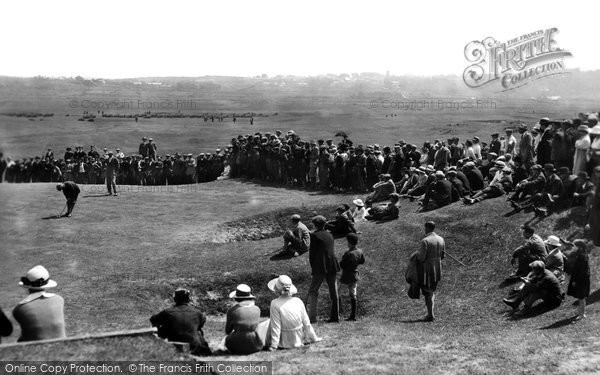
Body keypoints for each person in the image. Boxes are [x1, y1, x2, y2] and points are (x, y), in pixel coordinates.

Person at [150, 288, 211, 356]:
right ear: (188, 299)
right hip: (193, 346)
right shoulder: (197, 312)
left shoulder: (167, 312)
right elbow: (201, 324)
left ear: (175, 299)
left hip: (173, 344)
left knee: (163, 328)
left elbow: (153, 319)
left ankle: (159, 346)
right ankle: (202, 349)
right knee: (198, 331)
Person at [13, 265, 66, 342]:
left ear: (27, 286)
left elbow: (27, 336)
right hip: (62, 346)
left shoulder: (19, 309)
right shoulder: (59, 300)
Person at [267, 275, 321, 351]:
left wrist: (274, 345)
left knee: (267, 323)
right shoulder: (298, 301)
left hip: (284, 342)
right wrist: (314, 338)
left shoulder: (274, 303)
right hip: (299, 339)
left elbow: (276, 326)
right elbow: (307, 323)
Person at [307, 215, 341, 323]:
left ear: (315, 225)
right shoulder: (330, 234)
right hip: (332, 264)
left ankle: (312, 318)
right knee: (333, 291)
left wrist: (313, 267)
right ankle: (335, 317)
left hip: (320, 265)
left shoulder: (314, 236)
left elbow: (312, 254)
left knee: (313, 291)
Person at [411, 221, 445, 322]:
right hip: (437, 268)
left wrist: (415, 254)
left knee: (427, 292)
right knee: (431, 291)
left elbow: (421, 258)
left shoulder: (425, 241)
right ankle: (431, 313)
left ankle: (430, 315)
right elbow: (443, 256)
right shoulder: (441, 239)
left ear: (427, 228)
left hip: (427, 270)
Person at [224, 284, 267, 354]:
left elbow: (228, 331)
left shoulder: (232, 310)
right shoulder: (257, 309)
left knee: (227, 338)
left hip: (235, 344)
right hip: (254, 343)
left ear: (236, 297)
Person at [339, 233, 365, 321]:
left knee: (338, 293)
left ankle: (338, 313)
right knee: (353, 294)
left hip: (346, 275)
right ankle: (353, 315)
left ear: (349, 242)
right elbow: (362, 261)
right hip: (355, 275)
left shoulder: (348, 253)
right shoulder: (360, 251)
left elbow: (342, 265)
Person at [566, 240, 590, 321]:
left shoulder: (582, 257)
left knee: (581, 297)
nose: (573, 247)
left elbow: (581, 271)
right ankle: (581, 312)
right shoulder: (581, 255)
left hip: (581, 280)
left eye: (575, 246)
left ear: (579, 247)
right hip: (582, 279)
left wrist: (575, 281)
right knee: (581, 297)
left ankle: (582, 314)